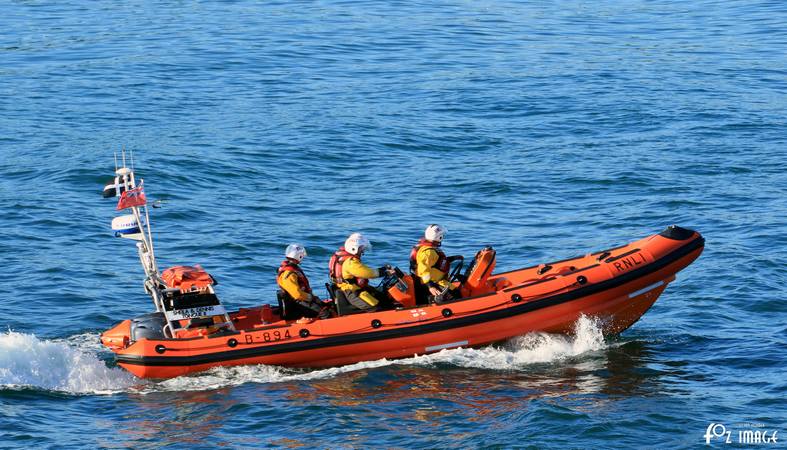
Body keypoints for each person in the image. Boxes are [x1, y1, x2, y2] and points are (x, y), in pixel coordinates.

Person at [329, 232, 394, 312]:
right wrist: (385, 272)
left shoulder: (344, 258)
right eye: (361, 248)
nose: (363, 251)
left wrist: (383, 269)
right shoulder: (350, 263)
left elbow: (364, 269)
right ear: (354, 248)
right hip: (352, 292)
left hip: (351, 288)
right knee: (376, 307)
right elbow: (368, 273)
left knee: (380, 296)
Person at [409, 224, 462, 303]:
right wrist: (430, 286)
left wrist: (452, 258)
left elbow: (435, 262)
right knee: (456, 294)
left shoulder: (422, 247)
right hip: (432, 283)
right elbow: (423, 270)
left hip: (423, 281)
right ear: (439, 237)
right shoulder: (429, 252)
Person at [277, 243, 331, 320]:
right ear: (299, 256)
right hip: (298, 303)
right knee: (325, 313)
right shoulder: (289, 274)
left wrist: (314, 298)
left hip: (302, 300)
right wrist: (310, 297)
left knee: (325, 305)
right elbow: (297, 294)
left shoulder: (292, 269)